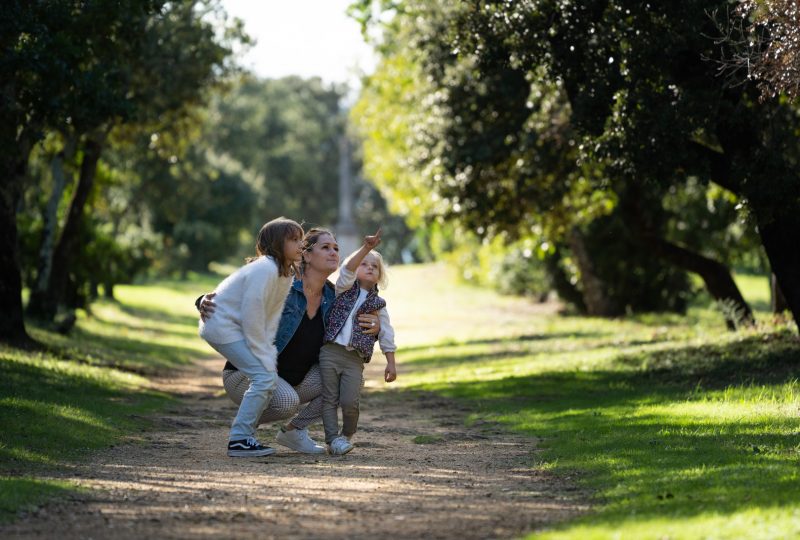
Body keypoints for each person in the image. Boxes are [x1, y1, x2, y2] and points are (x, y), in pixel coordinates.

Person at [198, 228, 381, 454]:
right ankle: (243, 432)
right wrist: (203, 300)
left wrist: (376, 327)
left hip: (294, 380)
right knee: (286, 402)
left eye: (336, 248)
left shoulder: (334, 298)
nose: (333, 252)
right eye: (325, 247)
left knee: (350, 379)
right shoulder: (281, 283)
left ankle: (294, 431)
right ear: (306, 255)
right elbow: (234, 295)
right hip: (246, 375)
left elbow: (354, 330)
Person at [199, 217, 303, 457]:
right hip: (222, 325)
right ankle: (239, 440)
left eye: (301, 239)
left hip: (234, 327)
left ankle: (242, 437)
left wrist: (267, 348)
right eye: (294, 239)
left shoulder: (285, 272)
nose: (301, 245)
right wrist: (260, 349)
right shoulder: (265, 268)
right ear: (277, 243)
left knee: (265, 376)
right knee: (264, 377)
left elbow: (272, 314)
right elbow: (252, 310)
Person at [320, 228, 397, 456]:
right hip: (330, 352)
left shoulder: (379, 305)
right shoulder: (343, 288)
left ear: (380, 275)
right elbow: (346, 269)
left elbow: (387, 334)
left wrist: (391, 362)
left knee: (350, 402)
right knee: (329, 399)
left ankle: (347, 435)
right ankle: (332, 440)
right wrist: (366, 248)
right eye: (365, 264)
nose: (370, 267)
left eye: (375, 266)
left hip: (354, 358)